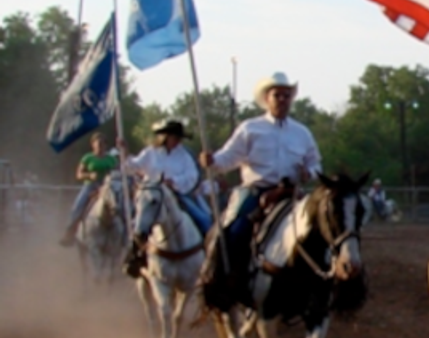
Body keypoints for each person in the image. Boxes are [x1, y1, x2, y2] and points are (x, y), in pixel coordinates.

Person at [199, 72, 322, 272]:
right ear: (267, 98)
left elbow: (316, 164)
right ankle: (220, 279)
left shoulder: (302, 132)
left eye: (286, 95)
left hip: (293, 194)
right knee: (234, 232)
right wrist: (212, 161)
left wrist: (309, 173)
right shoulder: (250, 128)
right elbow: (228, 158)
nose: (282, 99)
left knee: (321, 233)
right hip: (257, 192)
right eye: (277, 95)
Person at [121, 119, 212, 234]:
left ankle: (207, 248)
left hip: (176, 195)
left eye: (179, 139)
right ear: (166, 137)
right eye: (175, 138)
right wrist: (125, 154)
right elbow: (133, 166)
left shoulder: (184, 155)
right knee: (134, 222)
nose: (177, 141)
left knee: (204, 219)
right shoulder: (151, 152)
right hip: (151, 195)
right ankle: (134, 246)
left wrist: (174, 181)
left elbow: (192, 175)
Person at [59, 132, 118, 247]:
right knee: (78, 206)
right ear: (93, 145)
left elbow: (118, 172)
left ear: (106, 145)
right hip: (91, 186)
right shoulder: (87, 158)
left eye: (103, 144)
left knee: (120, 205)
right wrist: (89, 175)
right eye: (98, 144)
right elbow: (79, 174)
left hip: (107, 187)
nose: (100, 146)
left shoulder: (111, 159)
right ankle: (70, 233)